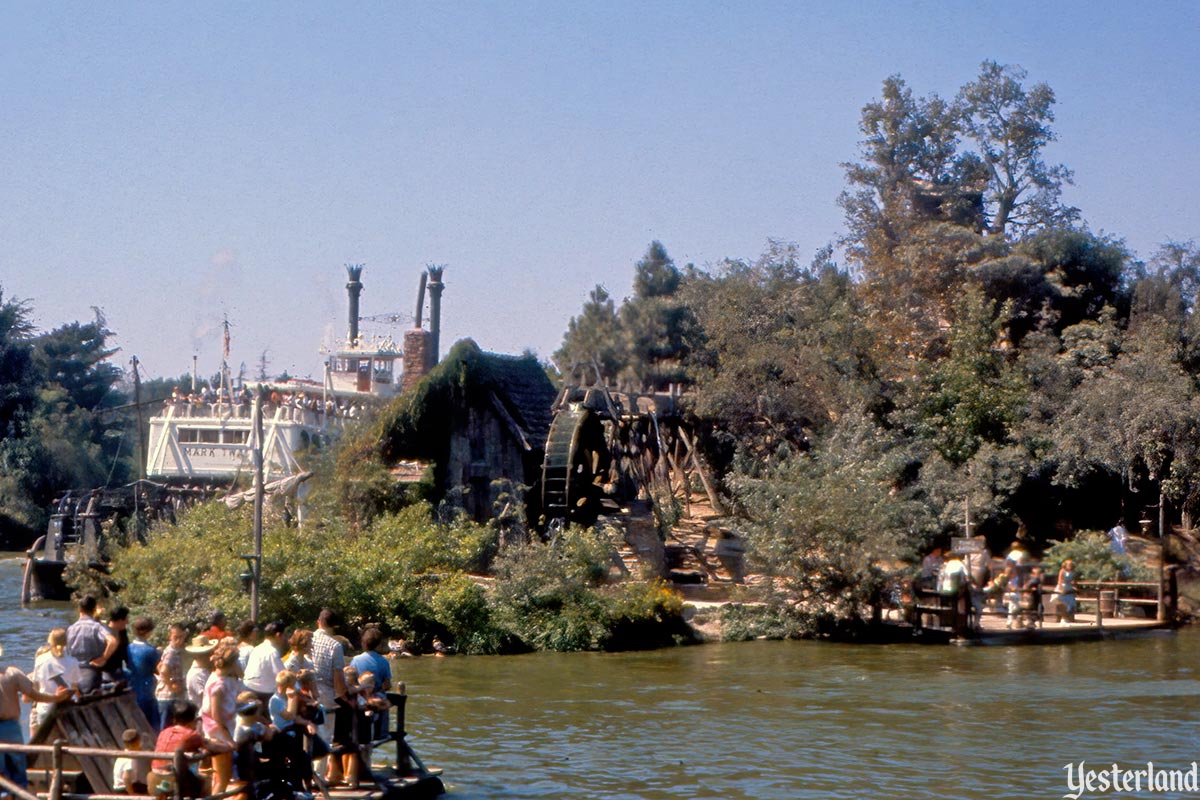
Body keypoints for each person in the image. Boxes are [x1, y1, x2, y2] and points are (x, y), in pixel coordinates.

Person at [0, 644, 72, 790]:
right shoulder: (12, 673)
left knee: (2, 775)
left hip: (10, 726)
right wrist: (56, 698)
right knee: (18, 771)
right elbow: (34, 695)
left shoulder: (13, 674)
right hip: (11, 727)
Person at [152, 700, 231, 799]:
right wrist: (230, 746)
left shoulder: (164, 732)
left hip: (153, 778)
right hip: (174, 779)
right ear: (193, 720)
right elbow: (213, 746)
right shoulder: (191, 735)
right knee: (205, 782)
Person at [311, 610, 347, 783]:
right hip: (325, 691)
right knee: (324, 735)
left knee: (307, 732)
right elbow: (338, 677)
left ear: (318, 622)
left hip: (306, 689)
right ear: (334, 626)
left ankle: (306, 775)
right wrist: (344, 696)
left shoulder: (307, 639)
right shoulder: (335, 645)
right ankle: (318, 776)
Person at [200, 643, 241, 793]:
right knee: (221, 778)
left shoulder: (224, 677)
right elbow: (216, 717)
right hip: (219, 732)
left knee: (222, 776)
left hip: (226, 728)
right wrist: (229, 740)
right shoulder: (217, 685)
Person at [29, 629, 81, 735]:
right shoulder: (73, 661)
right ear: (66, 642)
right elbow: (75, 688)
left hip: (45, 708)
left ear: (50, 642)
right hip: (67, 706)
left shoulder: (40, 660)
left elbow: (36, 686)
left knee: (47, 740)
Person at [66, 595, 118, 694]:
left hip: (72, 672)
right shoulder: (96, 627)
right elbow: (113, 642)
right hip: (91, 671)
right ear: (94, 609)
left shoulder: (70, 629)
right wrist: (104, 658)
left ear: (79, 609)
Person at [127, 617, 161, 730]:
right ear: (148, 632)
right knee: (152, 722)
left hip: (132, 687)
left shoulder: (128, 648)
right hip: (147, 688)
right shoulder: (150, 651)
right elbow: (158, 670)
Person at [244, 621, 287, 703]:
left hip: (248, 689)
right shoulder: (272, 652)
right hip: (262, 695)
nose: (285, 638)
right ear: (278, 635)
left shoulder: (257, 648)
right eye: (284, 635)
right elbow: (283, 676)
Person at [155, 624, 188, 729]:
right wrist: (170, 686)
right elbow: (164, 671)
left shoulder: (172, 651)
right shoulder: (172, 652)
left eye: (181, 637)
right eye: (175, 637)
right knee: (167, 729)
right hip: (169, 697)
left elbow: (159, 666)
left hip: (168, 696)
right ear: (170, 637)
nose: (178, 640)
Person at [112, 728, 149, 795]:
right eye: (139, 743)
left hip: (119, 787)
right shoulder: (129, 759)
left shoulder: (122, 755)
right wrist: (132, 794)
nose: (141, 745)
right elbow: (126, 778)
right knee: (148, 791)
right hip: (124, 788)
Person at [102, 606, 131, 682]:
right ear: (119, 620)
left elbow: (126, 653)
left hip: (119, 670)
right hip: (106, 673)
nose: (127, 622)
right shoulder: (104, 633)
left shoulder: (122, 632)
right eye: (125, 619)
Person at [185, 636, 215, 707]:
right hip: (202, 714)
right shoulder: (196, 675)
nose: (211, 656)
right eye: (208, 654)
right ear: (198, 656)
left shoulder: (206, 670)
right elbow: (207, 697)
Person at [1052, 559, 1078, 624]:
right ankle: (1063, 618)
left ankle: (1067, 617)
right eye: (1068, 564)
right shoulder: (1062, 571)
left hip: (1069, 587)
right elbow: (1059, 580)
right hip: (1062, 586)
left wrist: (1075, 588)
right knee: (1062, 602)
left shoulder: (1073, 572)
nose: (1069, 565)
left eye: (1071, 564)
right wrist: (1060, 589)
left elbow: (1074, 581)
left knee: (1069, 602)